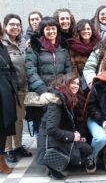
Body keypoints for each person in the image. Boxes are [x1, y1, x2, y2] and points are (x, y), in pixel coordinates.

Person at [37, 74, 93, 179]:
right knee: (86, 150)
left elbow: (72, 121)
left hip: (59, 136)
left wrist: (80, 134)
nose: (76, 86)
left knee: (86, 146)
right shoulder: (57, 101)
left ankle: (61, 161)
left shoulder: (69, 98)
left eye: (77, 84)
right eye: (72, 83)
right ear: (65, 84)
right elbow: (51, 129)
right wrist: (72, 136)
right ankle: (53, 162)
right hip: (50, 141)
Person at [2, 14, 31, 164]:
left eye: (18, 25)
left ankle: (18, 145)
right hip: (7, 88)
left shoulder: (24, 42)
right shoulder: (2, 44)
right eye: (12, 24)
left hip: (22, 88)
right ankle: (8, 149)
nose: (15, 27)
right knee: (8, 120)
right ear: (5, 26)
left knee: (19, 119)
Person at [26, 16, 72, 94]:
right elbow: (31, 71)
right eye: (47, 29)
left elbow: (68, 69)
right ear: (42, 31)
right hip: (42, 91)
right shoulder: (35, 47)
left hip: (62, 90)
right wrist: (42, 89)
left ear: (57, 30)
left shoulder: (63, 47)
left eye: (53, 28)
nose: (51, 31)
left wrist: (66, 86)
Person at [0, 22, 17, 174]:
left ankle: (1, 160)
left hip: (5, 91)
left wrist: (13, 84)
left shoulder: (3, 47)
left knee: (4, 128)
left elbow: (11, 68)